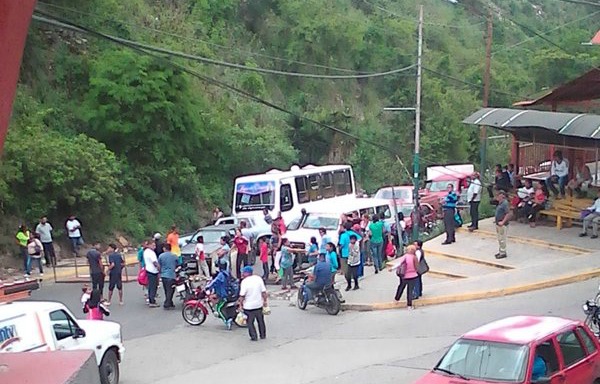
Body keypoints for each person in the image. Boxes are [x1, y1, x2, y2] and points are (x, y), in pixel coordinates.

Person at [238, 266, 268, 341]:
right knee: (260, 320)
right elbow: (263, 292)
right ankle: (263, 335)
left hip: (249, 306)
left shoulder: (244, 282)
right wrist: (265, 301)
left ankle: (254, 336)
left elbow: (242, 296)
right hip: (258, 304)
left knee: (250, 322)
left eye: (243, 272)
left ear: (246, 273)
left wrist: (240, 305)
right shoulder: (258, 279)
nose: (242, 274)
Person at [206, 259, 237, 330]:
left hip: (223, 295)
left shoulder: (221, 275)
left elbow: (215, 282)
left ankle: (227, 321)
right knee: (213, 297)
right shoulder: (226, 273)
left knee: (219, 309)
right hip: (225, 292)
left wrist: (208, 287)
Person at [391, 245, 419, 310]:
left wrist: (392, 268)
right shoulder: (415, 257)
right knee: (410, 291)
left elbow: (399, 263)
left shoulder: (405, 256)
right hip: (413, 276)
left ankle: (396, 299)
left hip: (405, 276)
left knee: (401, 287)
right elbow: (417, 267)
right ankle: (409, 306)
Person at [158, 243, 178, 309]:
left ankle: (169, 302)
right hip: (172, 275)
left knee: (166, 290)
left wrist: (159, 272)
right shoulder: (174, 256)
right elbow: (178, 263)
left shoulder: (161, 256)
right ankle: (167, 303)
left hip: (164, 275)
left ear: (164, 248)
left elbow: (159, 265)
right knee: (171, 290)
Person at [494, 191, 512, 259]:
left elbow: (507, 213)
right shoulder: (500, 203)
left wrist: (503, 222)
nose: (497, 197)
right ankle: (501, 251)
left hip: (502, 224)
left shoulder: (505, 204)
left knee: (502, 238)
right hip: (498, 223)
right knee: (499, 238)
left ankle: (503, 252)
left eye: (498, 196)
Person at [143, 240, 160, 307]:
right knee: (153, 287)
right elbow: (155, 262)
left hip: (149, 270)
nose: (154, 247)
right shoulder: (151, 253)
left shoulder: (146, 252)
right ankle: (152, 301)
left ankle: (151, 299)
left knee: (150, 286)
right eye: (153, 245)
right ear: (149, 245)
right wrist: (159, 269)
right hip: (153, 271)